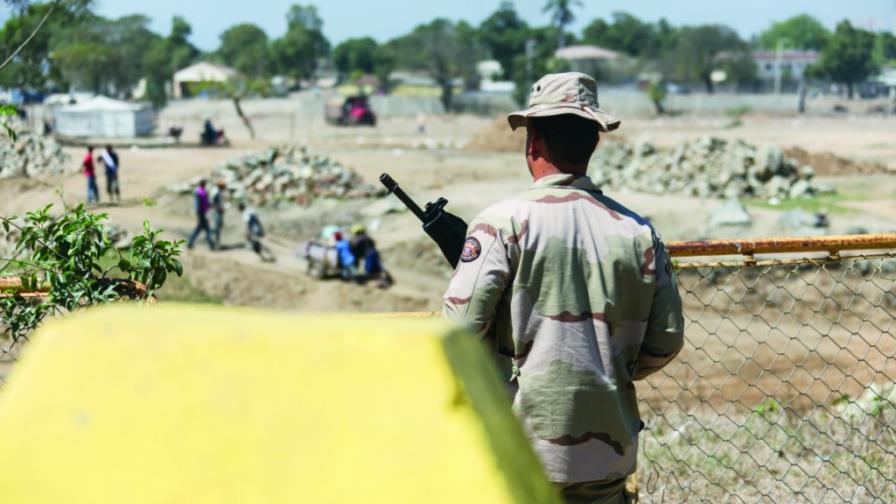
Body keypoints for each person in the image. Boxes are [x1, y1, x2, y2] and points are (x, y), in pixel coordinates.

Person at [442, 72, 685, 504]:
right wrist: (606, 374)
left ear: (533, 143)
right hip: (608, 454)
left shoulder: (502, 224)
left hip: (519, 450)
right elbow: (666, 340)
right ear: (593, 142)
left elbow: (458, 329)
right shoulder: (638, 232)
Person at [187, 179, 215, 250]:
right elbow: (198, 204)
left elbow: (205, 202)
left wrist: (209, 206)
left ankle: (191, 242)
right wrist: (200, 213)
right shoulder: (199, 192)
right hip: (202, 213)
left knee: (200, 229)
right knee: (205, 229)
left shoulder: (203, 191)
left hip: (204, 212)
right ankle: (210, 244)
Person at [211, 180, 227, 247]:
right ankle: (215, 242)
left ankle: (216, 242)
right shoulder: (216, 193)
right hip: (217, 212)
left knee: (219, 227)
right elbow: (213, 203)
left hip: (219, 212)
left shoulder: (219, 192)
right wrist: (219, 208)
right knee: (217, 227)